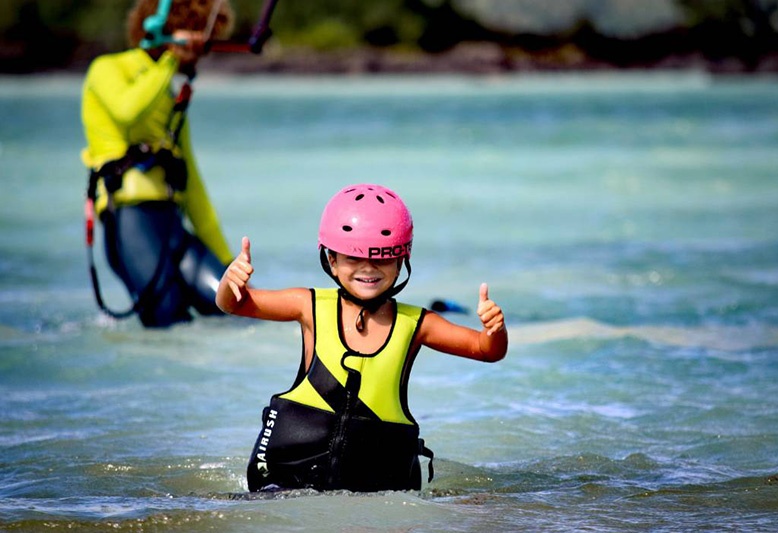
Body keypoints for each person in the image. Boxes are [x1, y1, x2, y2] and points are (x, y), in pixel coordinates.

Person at [216, 184, 508, 492]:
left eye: (381, 258)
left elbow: (486, 350)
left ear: (401, 261)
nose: (368, 268)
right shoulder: (308, 306)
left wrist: (495, 330)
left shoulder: (417, 323)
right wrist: (230, 281)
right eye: (353, 258)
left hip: (374, 490)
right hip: (286, 482)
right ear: (332, 261)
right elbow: (234, 304)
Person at [80, 0, 236, 327]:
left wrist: (227, 261)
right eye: (194, 41)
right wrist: (169, 58)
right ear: (166, 32)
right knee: (169, 318)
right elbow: (128, 110)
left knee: (235, 308)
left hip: (172, 224)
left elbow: (193, 187)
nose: (200, 54)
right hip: (128, 220)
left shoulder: (168, 98)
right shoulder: (107, 69)